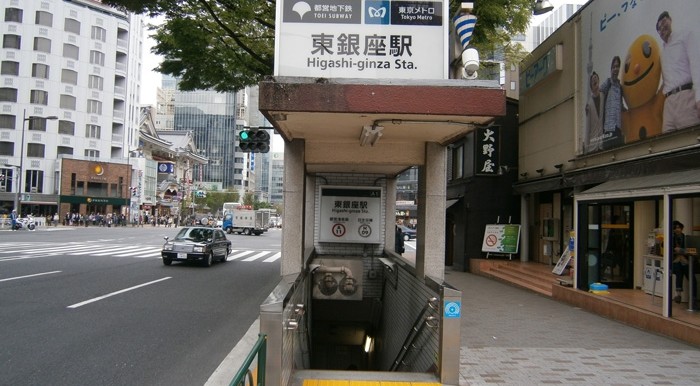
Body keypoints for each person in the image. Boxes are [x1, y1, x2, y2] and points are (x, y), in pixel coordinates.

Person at [656, 11, 700, 132]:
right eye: (658, 29)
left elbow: (696, 66)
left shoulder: (685, 35)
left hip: (685, 97)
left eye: (664, 22)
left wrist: (699, 97)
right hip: (668, 103)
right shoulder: (661, 53)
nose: (662, 28)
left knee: (691, 141)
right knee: (668, 146)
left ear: (670, 20)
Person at [599, 56, 625, 149]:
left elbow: (621, 105)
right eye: (613, 67)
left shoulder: (620, 87)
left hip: (617, 127)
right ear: (611, 69)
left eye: (617, 66)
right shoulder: (608, 82)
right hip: (608, 127)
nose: (615, 69)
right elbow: (600, 91)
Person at [671, 220, 696, 306]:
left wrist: (681, 251)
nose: (677, 230)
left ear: (681, 228)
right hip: (676, 261)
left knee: (692, 277)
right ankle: (678, 294)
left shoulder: (686, 238)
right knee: (679, 271)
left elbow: (691, 250)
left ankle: (693, 296)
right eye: (675, 228)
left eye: (679, 228)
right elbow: (670, 249)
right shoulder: (671, 238)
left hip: (685, 261)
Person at [585, 71, 605, 152]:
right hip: (593, 146)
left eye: (596, 78)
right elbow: (587, 127)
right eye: (593, 79)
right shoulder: (589, 104)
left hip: (603, 142)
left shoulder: (603, 96)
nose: (594, 80)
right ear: (591, 86)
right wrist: (586, 148)